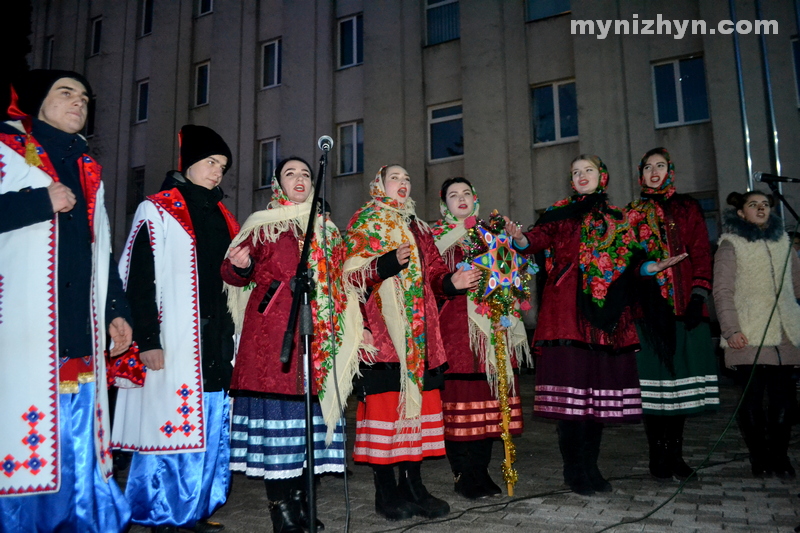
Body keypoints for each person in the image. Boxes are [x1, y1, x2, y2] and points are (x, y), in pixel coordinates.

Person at [505, 155, 685, 496]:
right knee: (572, 401)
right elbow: (536, 239)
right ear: (571, 182)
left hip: (606, 319)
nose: (581, 175)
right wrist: (521, 240)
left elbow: (635, 264)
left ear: (602, 176)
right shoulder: (560, 213)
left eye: (588, 170)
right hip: (566, 317)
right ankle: (575, 470)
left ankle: (592, 465)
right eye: (576, 172)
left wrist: (652, 268)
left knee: (595, 400)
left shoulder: (618, 218)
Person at [0, 69, 133, 531]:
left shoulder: (85, 165)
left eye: (84, 97)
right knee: (25, 442)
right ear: (37, 103)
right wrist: (37, 203)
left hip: (77, 329)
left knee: (74, 443)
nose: (80, 102)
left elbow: (102, 248)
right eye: (66, 93)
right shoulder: (6, 153)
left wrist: (116, 310)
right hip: (22, 332)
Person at [221, 157, 365, 533]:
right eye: (291, 174)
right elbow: (232, 273)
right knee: (282, 431)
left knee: (309, 432)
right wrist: (240, 266)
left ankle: (303, 502)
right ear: (277, 183)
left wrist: (355, 326)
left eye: (305, 173)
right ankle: (281, 510)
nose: (300, 179)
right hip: (275, 342)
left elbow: (343, 282)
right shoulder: (263, 225)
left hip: (319, 341)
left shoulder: (327, 230)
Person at [113, 125, 239, 533]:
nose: (217, 172)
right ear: (189, 164)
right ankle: (161, 514)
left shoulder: (224, 216)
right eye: (210, 163)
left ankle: (194, 510)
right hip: (176, 338)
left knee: (209, 426)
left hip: (216, 338)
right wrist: (148, 339)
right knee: (169, 427)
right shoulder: (159, 209)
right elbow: (139, 278)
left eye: (222, 166)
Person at [343, 165, 480, 520]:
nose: (402, 184)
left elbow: (434, 273)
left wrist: (453, 281)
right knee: (387, 411)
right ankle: (385, 491)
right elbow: (350, 275)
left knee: (416, 414)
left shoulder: (419, 227)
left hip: (421, 337)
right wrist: (385, 264)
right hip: (383, 335)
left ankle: (413, 485)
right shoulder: (366, 220)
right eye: (395, 179)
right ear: (379, 185)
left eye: (407, 179)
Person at [431, 177, 530, 499]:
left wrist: (511, 300)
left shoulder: (493, 235)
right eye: (452, 195)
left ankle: (482, 471)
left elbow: (510, 276)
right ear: (443, 203)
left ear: (475, 198)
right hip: (456, 335)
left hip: (492, 332)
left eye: (466, 194)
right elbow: (427, 283)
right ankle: (463, 473)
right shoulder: (435, 238)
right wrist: (450, 281)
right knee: (461, 408)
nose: (460, 199)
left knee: (490, 406)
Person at [625, 147, 720, 480]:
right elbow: (625, 262)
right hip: (649, 315)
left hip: (683, 311)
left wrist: (698, 296)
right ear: (641, 175)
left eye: (660, 166)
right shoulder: (633, 213)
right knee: (655, 390)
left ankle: (675, 455)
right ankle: (657, 456)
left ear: (671, 171)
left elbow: (701, 252)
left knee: (678, 388)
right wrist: (643, 269)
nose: (654, 171)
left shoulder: (687, 207)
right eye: (648, 167)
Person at [713, 190, 800, 479]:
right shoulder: (730, 244)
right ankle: (759, 457)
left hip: (785, 333)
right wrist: (731, 330)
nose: (761, 209)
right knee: (752, 399)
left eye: (765, 205)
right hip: (748, 333)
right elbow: (722, 292)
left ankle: (780, 456)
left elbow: (797, 286)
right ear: (741, 213)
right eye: (754, 205)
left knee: (785, 400)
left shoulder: (784, 243)